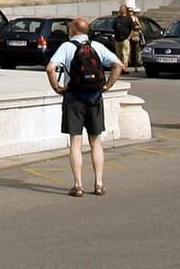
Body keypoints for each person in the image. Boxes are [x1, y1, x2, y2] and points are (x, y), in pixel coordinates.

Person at [45, 16, 123, 197]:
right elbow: (118, 65)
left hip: (73, 98)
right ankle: (99, 183)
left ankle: (78, 184)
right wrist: (107, 86)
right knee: (95, 140)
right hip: (94, 97)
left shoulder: (66, 47)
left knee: (75, 141)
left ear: (73, 30)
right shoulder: (96, 46)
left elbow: (50, 68)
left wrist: (57, 87)